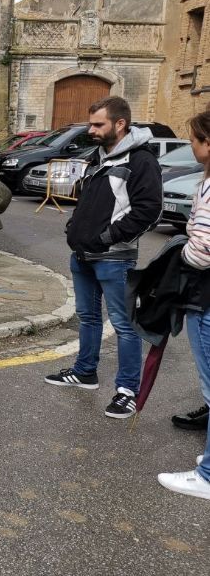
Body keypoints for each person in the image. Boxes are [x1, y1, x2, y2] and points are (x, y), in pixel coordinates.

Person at [45, 96, 162, 419]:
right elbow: (87, 201)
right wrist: (74, 229)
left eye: (98, 124)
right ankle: (85, 372)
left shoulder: (140, 161)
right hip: (82, 255)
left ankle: (127, 390)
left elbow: (148, 211)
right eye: (91, 123)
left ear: (120, 124)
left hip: (113, 258)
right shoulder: (99, 156)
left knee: (124, 326)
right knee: (89, 318)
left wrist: (107, 238)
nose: (91, 130)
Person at [157, 109, 210, 500]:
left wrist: (180, 256)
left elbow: (204, 248)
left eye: (193, 139)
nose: (189, 145)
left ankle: (207, 475)